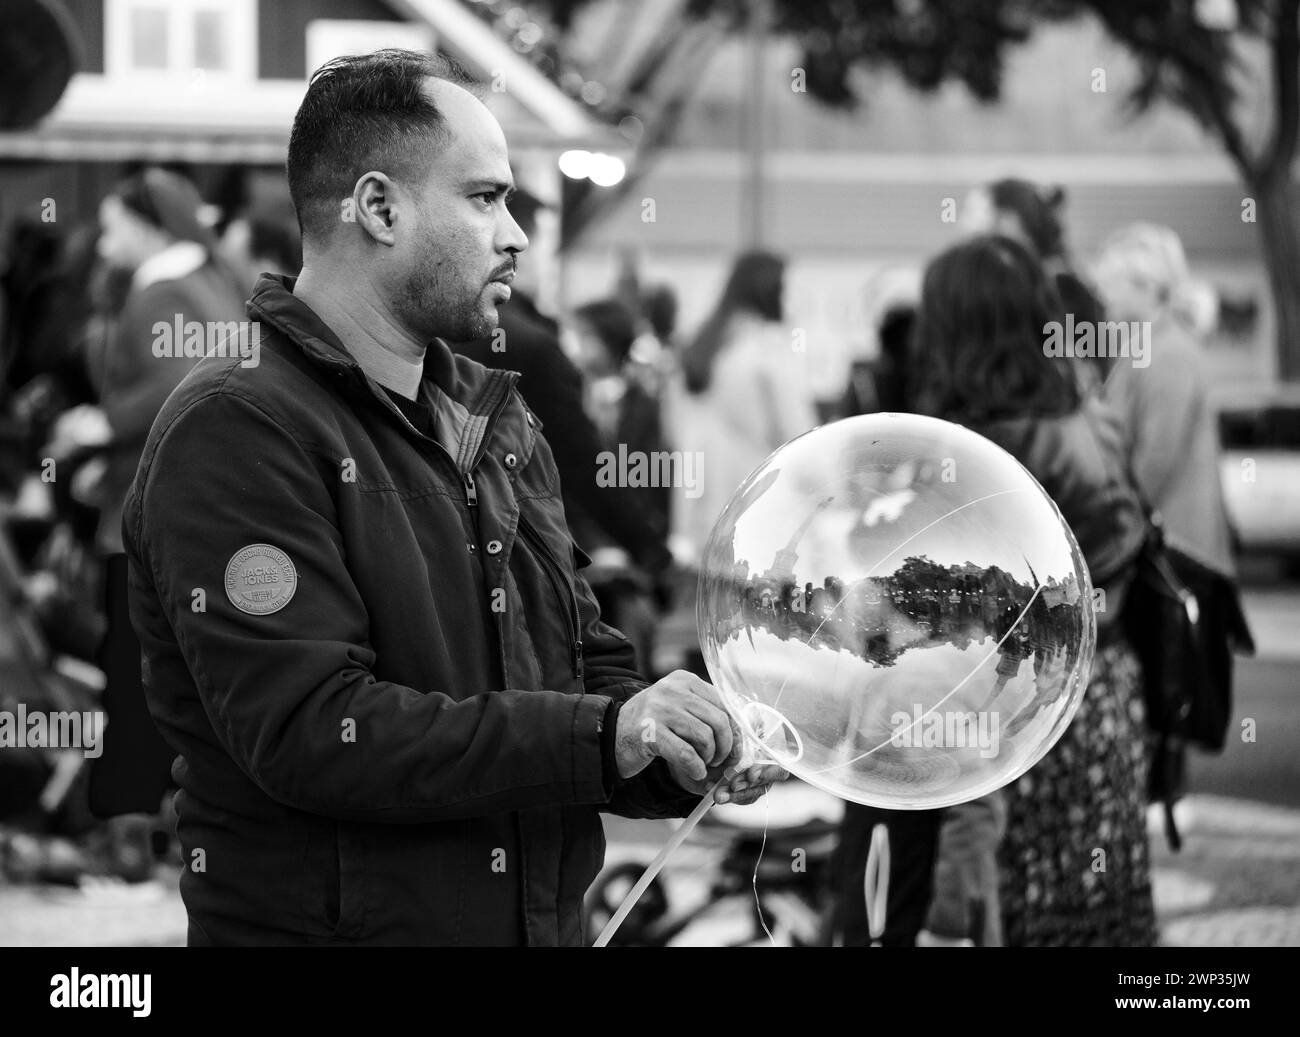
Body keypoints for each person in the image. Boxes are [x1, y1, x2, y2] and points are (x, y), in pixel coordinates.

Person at [123, 49, 781, 946]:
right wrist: (607, 733)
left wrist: (682, 745)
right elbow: (317, 729)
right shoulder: (237, 427)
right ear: (379, 207)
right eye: (485, 198)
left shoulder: (496, 421)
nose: (515, 235)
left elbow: (585, 674)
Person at [910, 235, 1155, 946]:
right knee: (1094, 913)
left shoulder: (982, 459)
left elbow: (976, 663)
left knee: (1023, 913)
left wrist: (950, 906)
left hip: (1021, 733)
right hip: (1102, 700)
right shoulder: (1087, 417)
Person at [1093, 222, 1235, 577]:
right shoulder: (1146, 348)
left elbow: (1153, 464)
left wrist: (1110, 533)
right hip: (1167, 553)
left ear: (1147, 287)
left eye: (1112, 283)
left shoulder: (1167, 353)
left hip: (1177, 558)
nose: (1103, 294)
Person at [667, 250, 818, 566]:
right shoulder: (768, 346)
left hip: (699, 510)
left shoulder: (699, 343)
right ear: (770, 290)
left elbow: (673, 428)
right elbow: (800, 436)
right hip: (759, 505)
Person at [963, 178, 1110, 391]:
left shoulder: (1060, 286)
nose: (964, 225)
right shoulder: (1037, 280)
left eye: (972, 212)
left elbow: (1074, 374)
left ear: (1008, 221)